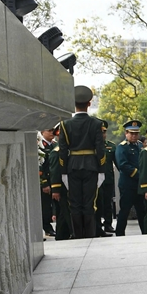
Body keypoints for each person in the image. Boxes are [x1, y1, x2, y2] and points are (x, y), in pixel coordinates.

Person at [59, 85, 106, 239]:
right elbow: (100, 149)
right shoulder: (96, 124)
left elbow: (63, 150)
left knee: (74, 203)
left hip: (72, 166)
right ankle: (90, 235)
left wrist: (63, 171)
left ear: (74, 104)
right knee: (89, 203)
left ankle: (78, 235)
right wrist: (102, 169)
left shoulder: (65, 125)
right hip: (91, 166)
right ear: (89, 103)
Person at [114, 119, 145, 236]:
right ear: (126, 133)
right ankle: (120, 233)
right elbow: (123, 165)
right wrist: (139, 175)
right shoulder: (122, 147)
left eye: (136, 133)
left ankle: (145, 232)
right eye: (131, 133)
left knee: (142, 210)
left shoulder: (140, 146)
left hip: (139, 185)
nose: (134, 136)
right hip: (128, 184)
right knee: (125, 211)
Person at [95, 120, 117, 236]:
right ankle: (98, 226)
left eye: (104, 132)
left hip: (108, 179)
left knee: (108, 203)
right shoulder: (92, 146)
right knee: (98, 204)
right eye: (100, 132)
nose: (103, 134)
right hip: (96, 180)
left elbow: (117, 163)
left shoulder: (111, 146)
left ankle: (108, 224)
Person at [39, 128, 56, 238]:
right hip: (46, 180)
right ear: (42, 132)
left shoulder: (55, 145)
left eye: (53, 131)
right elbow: (40, 166)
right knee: (45, 206)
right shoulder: (40, 146)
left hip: (55, 180)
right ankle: (47, 227)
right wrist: (44, 183)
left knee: (54, 205)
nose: (52, 133)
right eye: (49, 131)